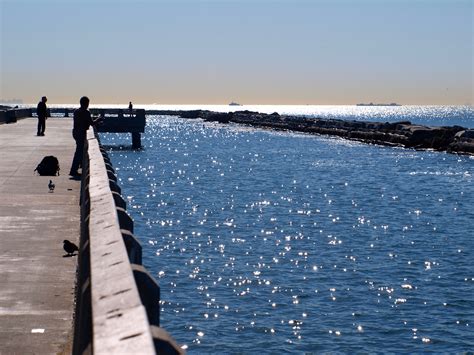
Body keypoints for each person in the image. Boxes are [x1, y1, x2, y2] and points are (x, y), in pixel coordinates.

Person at [69, 96, 101, 176]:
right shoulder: (86, 112)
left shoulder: (76, 111)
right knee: (79, 152)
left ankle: (76, 168)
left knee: (79, 151)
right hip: (81, 133)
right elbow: (91, 123)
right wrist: (98, 120)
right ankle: (73, 170)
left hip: (75, 133)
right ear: (86, 103)